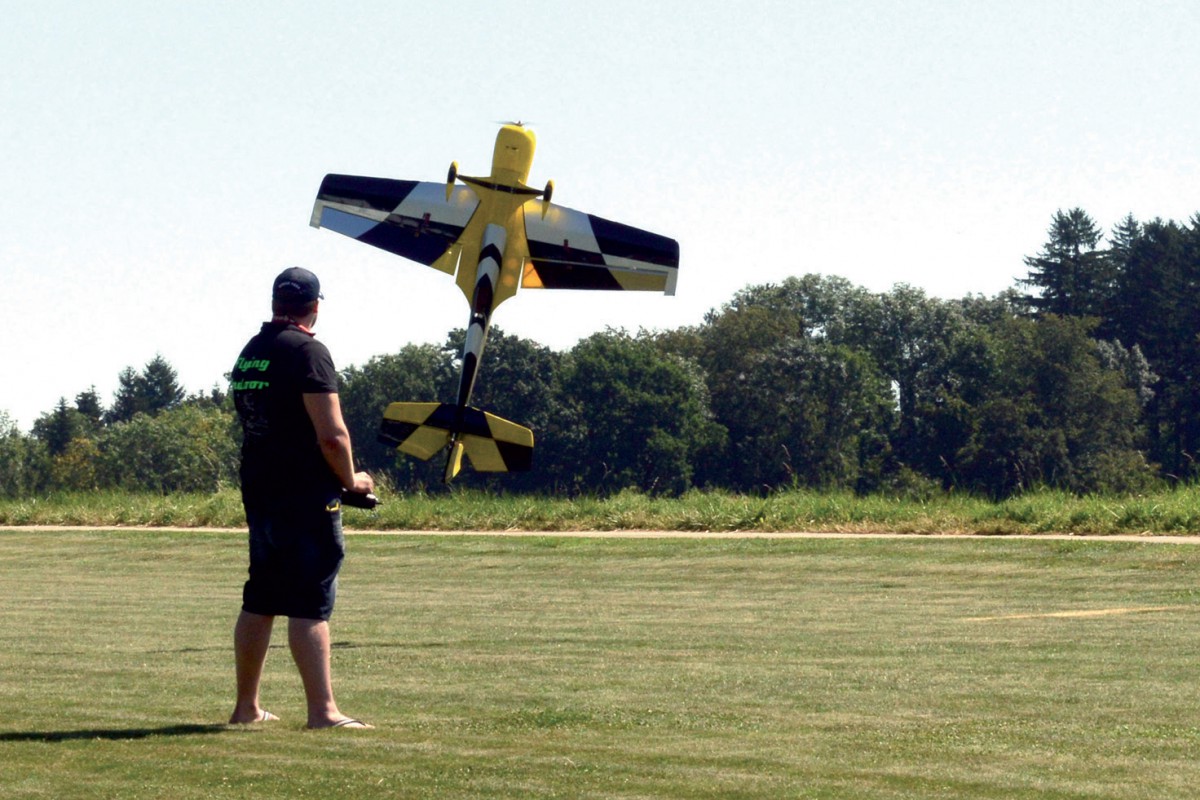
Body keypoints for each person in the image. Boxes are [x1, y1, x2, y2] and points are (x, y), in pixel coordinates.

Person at [227, 266, 375, 729]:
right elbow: (331, 435)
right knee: (310, 599)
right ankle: (323, 712)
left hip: (261, 489)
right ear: (315, 306)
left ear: (276, 303)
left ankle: (246, 708)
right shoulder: (309, 352)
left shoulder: (252, 352)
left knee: (261, 596)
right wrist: (353, 481)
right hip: (305, 494)